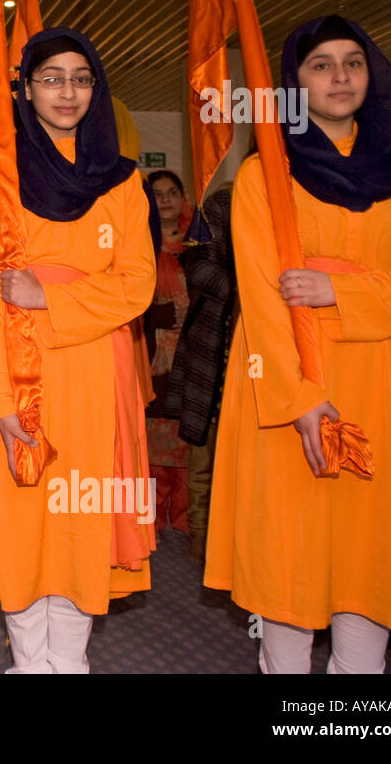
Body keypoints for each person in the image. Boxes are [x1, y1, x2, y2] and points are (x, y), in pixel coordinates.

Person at [205, 15, 391, 674]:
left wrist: (342, 292)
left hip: (384, 379)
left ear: (374, 77)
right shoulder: (265, 176)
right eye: (321, 64)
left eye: (353, 62)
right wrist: (303, 401)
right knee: (291, 556)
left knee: (368, 559)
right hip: (287, 384)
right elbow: (262, 300)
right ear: (295, 83)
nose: (339, 76)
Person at [0, 28, 157, 673]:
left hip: (96, 374)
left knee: (82, 524)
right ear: (25, 90)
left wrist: (48, 299)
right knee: (25, 531)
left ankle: (70, 665)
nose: (67, 91)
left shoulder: (122, 182)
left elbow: (138, 286)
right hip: (16, 377)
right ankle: (33, 665)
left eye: (81, 78)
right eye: (51, 77)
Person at [162, 183, 236, 561]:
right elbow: (197, 262)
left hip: (269, 346)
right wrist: (250, 291)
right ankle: (201, 538)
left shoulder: (303, 202)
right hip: (212, 342)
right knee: (204, 451)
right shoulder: (224, 202)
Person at [143, 169, 196, 537]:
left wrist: (186, 317)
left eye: (172, 192)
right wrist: (161, 314)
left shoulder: (200, 246)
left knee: (186, 438)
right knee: (150, 440)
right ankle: (151, 518)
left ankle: (184, 517)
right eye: (157, 194)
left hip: (192, 356)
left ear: (182, 198)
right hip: (149, 356)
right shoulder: (137, 243)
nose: (164, 200)